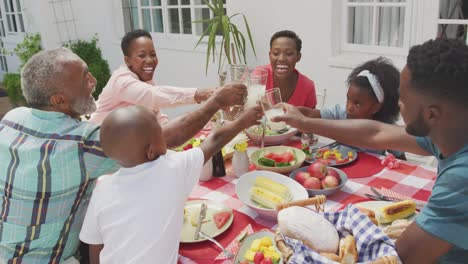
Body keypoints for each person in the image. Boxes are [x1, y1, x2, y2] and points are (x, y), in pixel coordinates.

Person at [0, 47, 247, 263]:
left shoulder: (12, 118)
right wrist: (215, 102)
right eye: (84, 78)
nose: (94, 80)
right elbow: (164, 138)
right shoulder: (79, 143)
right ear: (58, 100)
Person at [272, 38, 468, 263]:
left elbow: (400, 256)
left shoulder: (461, 178)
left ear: (431, 114)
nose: (398, 106)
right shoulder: (449, 131)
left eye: (403, 100)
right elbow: (375, 133)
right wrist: (304, 122)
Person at [79, 105, 261, 263]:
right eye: (160, 131)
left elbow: (94, 244)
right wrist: (243, 121)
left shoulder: (101, 190)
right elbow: (214, 140)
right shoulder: (172, 167)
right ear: (151, 151)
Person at [89, 29, 214, 125]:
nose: (149, 60)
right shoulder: (121, 81)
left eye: (153, 54)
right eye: (142, 55)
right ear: (128, 61)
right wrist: (199, 93)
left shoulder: (144, 80)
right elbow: (154, 95)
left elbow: (156, 113)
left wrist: (170, 128)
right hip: (99, 146)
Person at [299, 57, 405, 159]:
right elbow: (311, 114)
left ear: (375, 108)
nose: (349, 107)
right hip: (340, 166)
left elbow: (400, 157)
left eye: (357, 104)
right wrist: (294, 112)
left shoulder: (386, 128)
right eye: (348, 99)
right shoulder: (340, 113)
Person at [254, 30, 317, 108]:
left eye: (289, 54)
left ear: (298, 57)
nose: (281, 59)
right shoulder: (259, 75)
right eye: (276, 53)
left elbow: (311, 118)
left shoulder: (308, 86)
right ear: (270, 55)